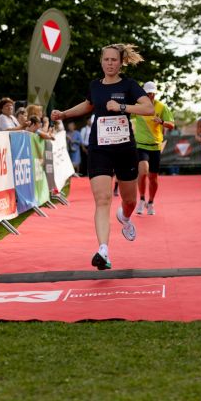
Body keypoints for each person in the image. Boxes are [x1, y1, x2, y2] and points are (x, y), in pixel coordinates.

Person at [51, 43, 154, 271]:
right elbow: (88, 105)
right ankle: (103, 251)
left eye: (114, 60)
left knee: (129, 200)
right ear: (101, 61)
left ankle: (124, 217)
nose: (110, 63)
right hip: (100, 148)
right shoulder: (95, 86)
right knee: (102, 199)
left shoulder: (129, 85)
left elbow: (148, 109)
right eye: (106, 59)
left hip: (125, 149)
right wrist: (64, 114)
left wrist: (122, 107)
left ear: (121, 62)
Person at [133, 81, 174, 216]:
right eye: (148, 93)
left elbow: (171, 125)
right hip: (141, 145)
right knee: (143, 171)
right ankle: (141, 199)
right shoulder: (137, 106)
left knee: (153, 178)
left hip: (156, 146)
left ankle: (150, 202)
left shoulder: (162, 107)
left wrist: (162, 122)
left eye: (152, 93)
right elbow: (125, 116)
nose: (150, 95)